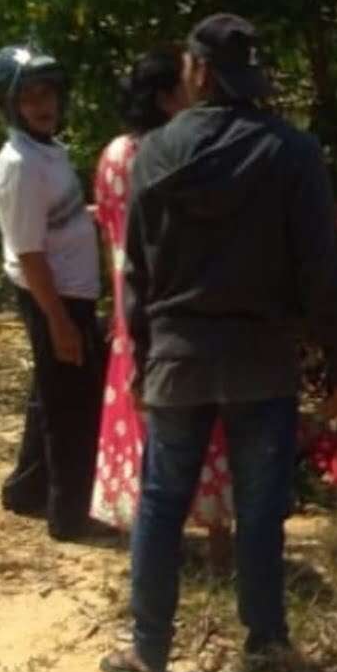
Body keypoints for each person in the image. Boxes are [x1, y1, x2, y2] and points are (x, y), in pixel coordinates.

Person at [100, 14, 337, 672]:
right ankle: (265, 647)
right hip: (260, 359)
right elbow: (321, 267)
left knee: (162, 502)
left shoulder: (154, 151)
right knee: (261, 505)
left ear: (201, 71)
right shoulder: (291, 151)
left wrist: (143, 354)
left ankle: (149, 650)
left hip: (178, 356)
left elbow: (138, 271)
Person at [89, 47, 234, 561]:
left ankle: (148, 548)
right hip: (178, 302)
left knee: (140, 418)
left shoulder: (111, 156)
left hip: (131, 308)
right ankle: (220, 546)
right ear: (168, 96)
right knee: (201, 418)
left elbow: (111, 235)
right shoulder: (181, 150)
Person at [0, 45, 108, 542]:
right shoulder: (19, 164)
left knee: (51, 392)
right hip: (54, 295)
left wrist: (89, 216)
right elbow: (28, 251)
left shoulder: (48, 152)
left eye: (48, 94)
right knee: (72, 406)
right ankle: (69, 516)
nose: (43, 105)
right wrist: (59, 321)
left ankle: (28, 488)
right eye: (30, 97)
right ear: (10, 104)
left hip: (70, 292)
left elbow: (53, 221)